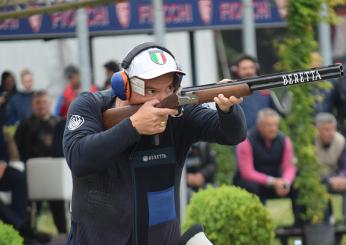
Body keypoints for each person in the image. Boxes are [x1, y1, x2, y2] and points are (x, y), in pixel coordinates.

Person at [63, 42, 247, 245]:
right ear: (124, 86)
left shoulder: (179, 112)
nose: (162, 99)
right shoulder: (90, 106)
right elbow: (79, 158)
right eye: (151, 91)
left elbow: (232, 135)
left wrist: (228, 110)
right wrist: (132, 127)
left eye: (169, 88)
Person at [233, 108, 301, 224]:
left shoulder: (284, 140)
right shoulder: (246, 141)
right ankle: (258, 225)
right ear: (259, 125)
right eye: (269, 125)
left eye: (275, 125)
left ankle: (300, 228)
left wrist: (285, 182)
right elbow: (247, 172)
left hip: (276, 183)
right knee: (251, 187)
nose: (273, 129)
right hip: (252, 183)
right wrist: (273, 181)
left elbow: (289, 166)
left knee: (299, 185)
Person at [14, 90, 67, 234]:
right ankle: (30, 233)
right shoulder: (24, 126)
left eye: (44, 102)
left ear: (50, 103)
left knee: (58, 207)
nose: (41, 106)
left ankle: (63, 234)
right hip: (32, 174)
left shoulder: (59, 124)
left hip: (56, 174)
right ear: (33, 105)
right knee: (31, 209)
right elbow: (18, 151)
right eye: (38, 102)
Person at [230, 54, 290, 130]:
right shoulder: (232, 93)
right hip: (242, 138)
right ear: (236, 71)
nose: (249, 71)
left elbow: (280, 114)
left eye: (251, 68)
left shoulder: (266, 91)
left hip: (264, 137)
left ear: (256, 69)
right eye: (244, 68)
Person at [314, 112, 346, 222]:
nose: (330, 133)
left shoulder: (341, 141)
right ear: (317, 130)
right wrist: (328, 180)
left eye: (333, 129)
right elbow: (307, 170)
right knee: (318, 188)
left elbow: (344, 166)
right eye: (326, 130)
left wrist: (342, 177)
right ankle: (326, 221)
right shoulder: (310, 142)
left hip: (335, 177)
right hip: (316, 178)